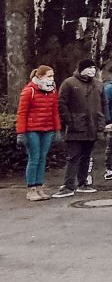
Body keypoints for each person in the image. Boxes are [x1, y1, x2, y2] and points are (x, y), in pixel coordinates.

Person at [54, 58, 109, 198]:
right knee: (73, 157)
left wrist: (105, 122)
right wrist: (69, 121)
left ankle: (83, 183)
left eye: (94, 68)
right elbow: (61, 103)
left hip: (93, 126)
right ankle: (68, 186)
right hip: (75, 127)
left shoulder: (98, 84)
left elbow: (104, 104)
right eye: (89, 68)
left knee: (86, 156)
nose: (92, 70)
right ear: (81, 69)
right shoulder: (69, 83)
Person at [15, 64, 62, 201]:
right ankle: (31, 189)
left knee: (42, 158)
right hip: (32, 130)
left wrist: (57, 129)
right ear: (40, 76)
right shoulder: (29, 90)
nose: (51, 79)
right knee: (34, 158)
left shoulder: (52, 91)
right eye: (49, 76)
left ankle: (39, 187)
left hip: (47, 129)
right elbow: (22, 113)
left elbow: (54, 112)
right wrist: (21, 133)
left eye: (52, 76)